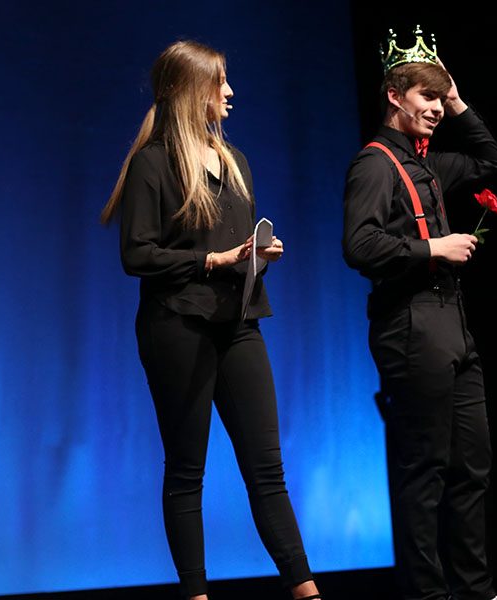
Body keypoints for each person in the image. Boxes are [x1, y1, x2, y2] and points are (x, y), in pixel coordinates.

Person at [100, 40, 320, 600]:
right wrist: (212, 260)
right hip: (178, 325)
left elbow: (235, 249)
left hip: (239, 322)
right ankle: (197, 594)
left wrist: (255, 259)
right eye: (218, 82)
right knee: (187, 469)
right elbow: (137, 255)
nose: (229, 92)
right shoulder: (153, 164)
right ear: (187, 91)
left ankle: (305, 589)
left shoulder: (236, 162)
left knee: (267, 469)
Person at [342, 27, 497, 600]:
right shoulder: (375, 165)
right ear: (394, 95)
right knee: (425, 468)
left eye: (441, 100)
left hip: (452, 322)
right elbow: (358, 246)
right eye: (425, 97)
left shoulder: (431, 164)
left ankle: (475, 589)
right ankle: (428, 594)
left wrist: (458, 99)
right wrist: (433, 247)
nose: (436, 109)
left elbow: (491, 157)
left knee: (473, 466)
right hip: (410, 322)